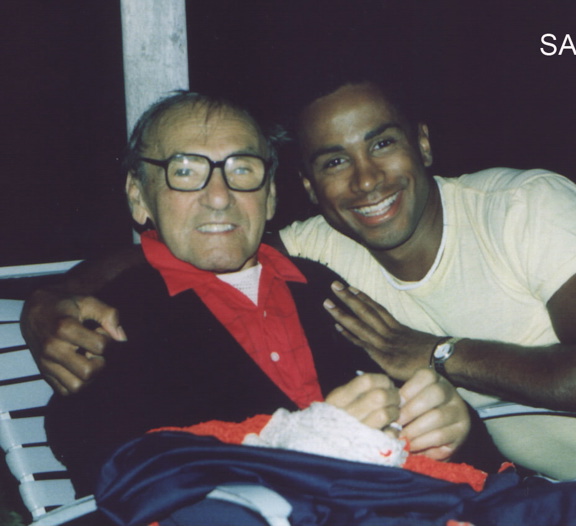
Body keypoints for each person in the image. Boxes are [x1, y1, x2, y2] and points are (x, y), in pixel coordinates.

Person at [23, 75, 576, 525]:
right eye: (189, 170)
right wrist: (48, 299)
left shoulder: (509, 211)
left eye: (381, 144)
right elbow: (186, 264)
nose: (364, 181)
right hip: (448, 499)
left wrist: (446, 395)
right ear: (311, 189)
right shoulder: (304, 262)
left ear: (422, 145)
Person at [41, 90, 497, 499]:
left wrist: (457, 427)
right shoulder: (116, 314)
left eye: (242, 169)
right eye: (185, 171)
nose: (218, 196)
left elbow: (463, 448)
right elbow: (99, 458)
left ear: (271, 195)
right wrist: (296, 444)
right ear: (140, 197)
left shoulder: (322, 287)